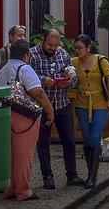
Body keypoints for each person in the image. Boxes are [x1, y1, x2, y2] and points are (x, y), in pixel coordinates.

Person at [0, 40, 55, 201]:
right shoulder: (25, 69)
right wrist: (49, 111)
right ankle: (23, 191)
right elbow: (37, 92)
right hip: (24, 116)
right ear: (26, 55)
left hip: (4, 114)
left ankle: (9, 188)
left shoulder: (2, 70)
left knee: (9, 154)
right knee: (24, 155)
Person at [30, 29, 82, 189]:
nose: (52, 48)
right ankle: (47, 176)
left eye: (55, 45)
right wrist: (44, 80)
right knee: (43, 142)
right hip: (42, 106)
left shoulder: (63, 54)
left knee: (69, 141)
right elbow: (26, 74)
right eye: (50, 45)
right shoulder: (32, 55)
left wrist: (69, 80)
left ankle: (72, 175)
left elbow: (71, 72)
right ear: (43, 41)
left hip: (61, 103)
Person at [71, 34, 109, 189]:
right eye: (75, 48)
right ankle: (89, 170)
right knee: (87, 138)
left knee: (95, 137)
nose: (77, 51)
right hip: (82, 103)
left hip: (100, 103)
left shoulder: (100, 60)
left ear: (88, 47)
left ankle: (92, 176)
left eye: (80, 48)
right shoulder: (74, 63)